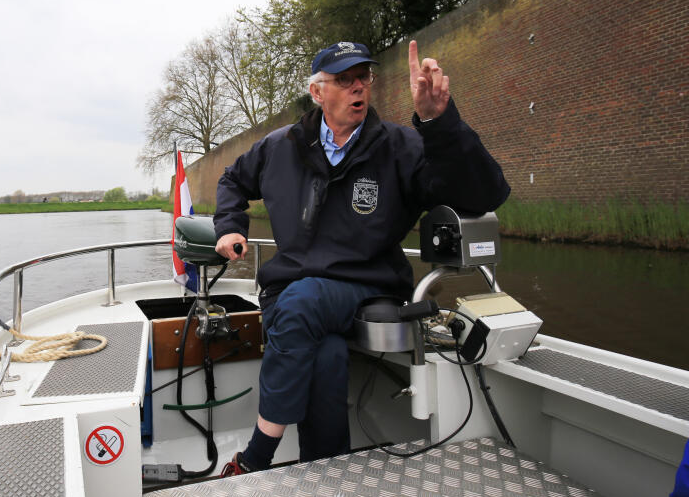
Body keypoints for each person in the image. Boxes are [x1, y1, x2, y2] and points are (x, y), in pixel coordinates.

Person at [212, 40, 510, 475]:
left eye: (364, 78)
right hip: (290, 286)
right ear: (318, 93)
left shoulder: (400, 146)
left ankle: (255, 457)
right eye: (345, 80)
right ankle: (326, 470)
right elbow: (232, 180)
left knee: (302, 304)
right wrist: (231, 225)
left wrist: (438, 122)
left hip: (368, 286)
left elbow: (484, 194)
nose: (359, 88)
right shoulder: (281, 146)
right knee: (327, 355)